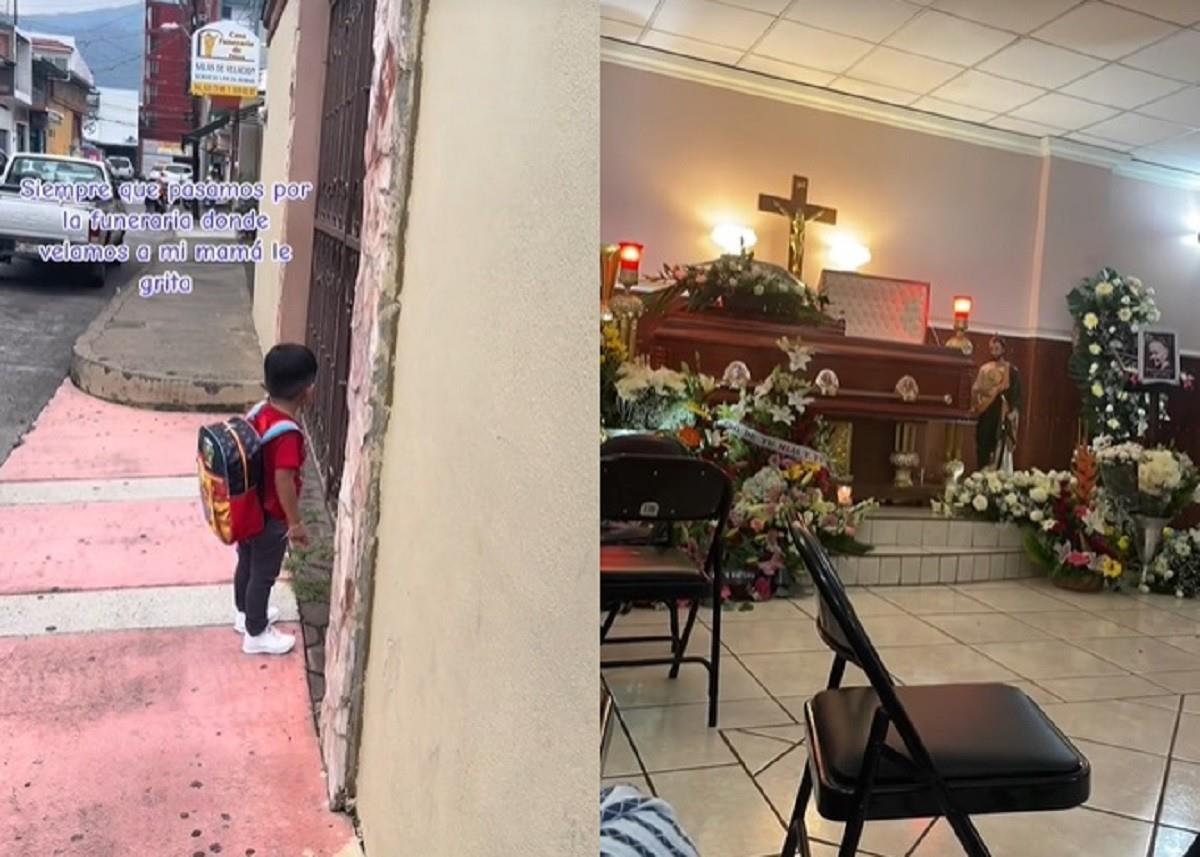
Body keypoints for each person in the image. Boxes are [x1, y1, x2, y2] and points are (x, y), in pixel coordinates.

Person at [234, 343, 317, 655]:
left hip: (248, 509)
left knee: (246, 562)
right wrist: (294, 522)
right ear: (306, 391)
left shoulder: (260, 411)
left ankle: (244, 615)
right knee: (264, 575)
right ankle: (256, 634)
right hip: (270, 518)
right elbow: (284, 479)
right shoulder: (288, 433)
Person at [972, 334, 1021, 473]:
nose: (994, 350)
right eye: (992, 348)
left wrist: (1013, 410)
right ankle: (982, 472)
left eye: (997, 348)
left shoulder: (1011, 370)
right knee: (984, 442)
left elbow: (1016, 393)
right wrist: (985, 393)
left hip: (1003, 412)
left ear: (1003, 349)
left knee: (1000, 443)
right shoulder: (985, 369)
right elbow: (976, 389)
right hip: (987, 411)